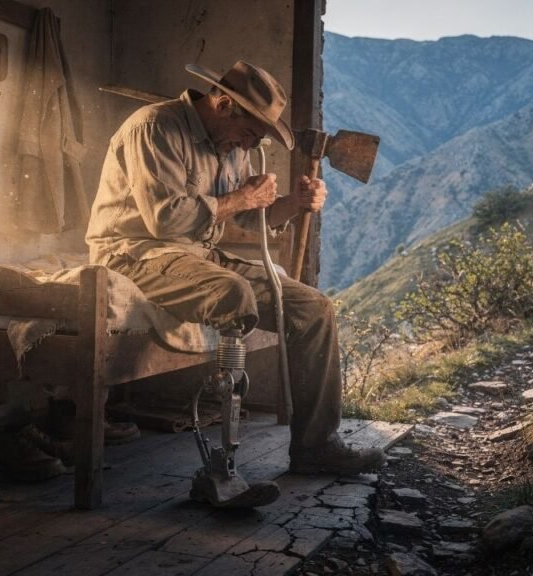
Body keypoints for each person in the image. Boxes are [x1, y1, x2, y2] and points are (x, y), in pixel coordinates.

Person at [85, 60, 386, 476]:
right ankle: (223, 458)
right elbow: (164, 220)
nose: (251, 145)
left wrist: (293, 205)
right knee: (233, 293)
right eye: (250, 133)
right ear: (224, 105)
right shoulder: (154, 127)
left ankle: (316, 446)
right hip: (134, 254)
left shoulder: (231, 147)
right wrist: (243, 198)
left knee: (314, 309)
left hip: (196, 255)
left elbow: (245, 216)